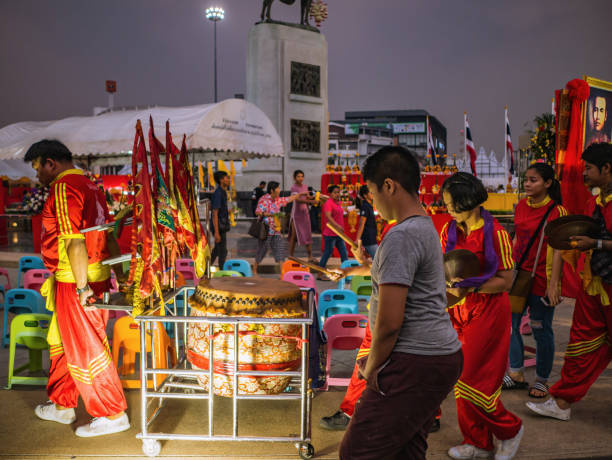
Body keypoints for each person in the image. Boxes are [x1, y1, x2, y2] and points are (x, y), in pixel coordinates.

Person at [334, 146, 463, 460]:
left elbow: (390, 324)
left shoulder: (402, 235)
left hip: (416, 359)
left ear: (389, 185)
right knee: (406, 448)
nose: (373, 202)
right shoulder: (424, 226)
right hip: (438, 356)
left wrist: (373, 365)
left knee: (356, 452)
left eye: (372, 192)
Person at [25, 140, 129, 437]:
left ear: (50, 163)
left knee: (87, 346)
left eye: (37, 168)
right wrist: (118, 275)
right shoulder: (92, 185)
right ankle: (62, 405)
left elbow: (73, 241)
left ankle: (112, 412)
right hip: (88, 275)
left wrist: (82, 288)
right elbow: (108, 237)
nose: (37, 176)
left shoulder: (63, 186)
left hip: (76, 279)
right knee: (62, 342)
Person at [527, 142, 612, 422]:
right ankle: (562, 402)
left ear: (607, 169)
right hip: (595, 284)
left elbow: (595, 239)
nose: (584, 174)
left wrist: (595, 243)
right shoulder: (595, 201)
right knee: (579, 342)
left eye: (588, 168)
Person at [441, 172, 523, 460]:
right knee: (459, 380)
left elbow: (506, 280)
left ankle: (510, 429)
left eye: (452, 205)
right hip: (457, 310)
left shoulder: (497, 234)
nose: (448, 210)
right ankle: (477, 442)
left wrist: (468, 286)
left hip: (487, 312)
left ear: (469, 202)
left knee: (473, 379)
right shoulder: (449, 231)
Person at [504, 163, 567, 398]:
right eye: (526, 180)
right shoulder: (521, 206)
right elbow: (517, 239)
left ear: (548, 183)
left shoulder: (557, 211)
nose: (527, 184)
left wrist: (554, 284)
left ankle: (542, 380)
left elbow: (559, 249)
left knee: (541, 331)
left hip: (542, 279)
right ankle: (517, 373)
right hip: (519, 277)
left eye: (534, 180)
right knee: (511, 327)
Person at [253, 181, 304, 274]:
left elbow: (289, 199)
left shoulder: (278, 200)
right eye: (278, 188)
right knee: (262, 250)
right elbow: (257, 212)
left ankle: (282, 274)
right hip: (266, 230)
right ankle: (254, 270)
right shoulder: (263, 199)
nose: (279, 190)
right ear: (272, 190)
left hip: (276, 231)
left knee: (280, 251)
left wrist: (300, 194)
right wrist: (270, 215)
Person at [318, 185, 349, 270]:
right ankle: (320, 272)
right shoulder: (328, 203)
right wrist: (338, 226)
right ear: (330, 194)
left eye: (338, 192)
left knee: (344, 253)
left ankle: (346, 272)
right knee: (327, 253)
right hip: (330, 234)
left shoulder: (338, 203)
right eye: (335, 193)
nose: (337, 194)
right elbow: (328, 217)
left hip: (339, 234)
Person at [288, 170, 315, 261]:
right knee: (294, 236)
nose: (300, 178)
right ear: (294, 177)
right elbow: (298, 200)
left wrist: (313, 198)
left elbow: (306, 197)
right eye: (298, 176)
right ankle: (290, 256)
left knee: (308, 235)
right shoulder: (293, 188)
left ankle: (310, 256)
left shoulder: (305, 187)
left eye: (302, 176)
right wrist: (310, 201)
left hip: (305, 214)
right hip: (296, 215)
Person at [210, 170, 230, 269]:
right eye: (227, 178)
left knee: (218, 250)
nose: (229, 180)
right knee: (222, 251)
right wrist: (216, 232)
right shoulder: (218, 193)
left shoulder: (223, 192)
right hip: (219, 227)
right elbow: (215, 213)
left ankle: (204, 271)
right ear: (221, 180)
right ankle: (222, 272)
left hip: (222, 225)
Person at [355, 184, 379, 259]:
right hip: (369, 239)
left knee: (374, 260)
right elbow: (361, 224)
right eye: (370, 193)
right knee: (378, 259)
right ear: (365, 195)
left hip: (371, 237)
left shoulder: (369, 206)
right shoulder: (365, 207)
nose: (372, 194)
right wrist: (357, 239)